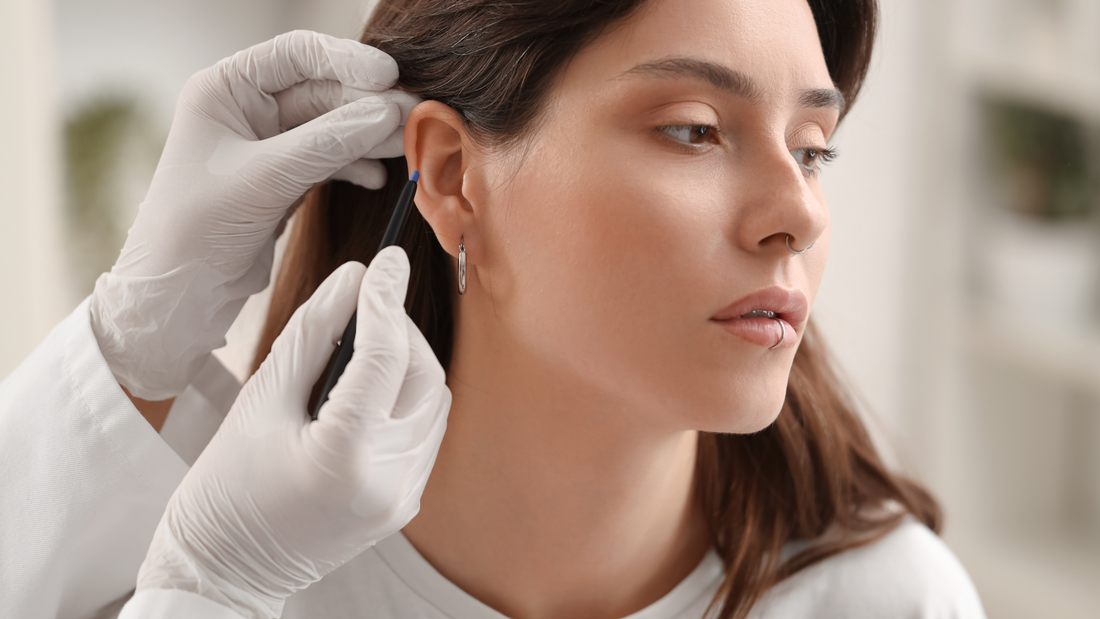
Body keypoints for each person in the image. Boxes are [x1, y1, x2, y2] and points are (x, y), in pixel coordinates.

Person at [0, 0, 987, 618]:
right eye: (693, 130)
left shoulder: (894, 598)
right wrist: (132, 340)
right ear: (451, 173)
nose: (797, 213)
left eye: (811, 147)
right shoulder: (214, 561)